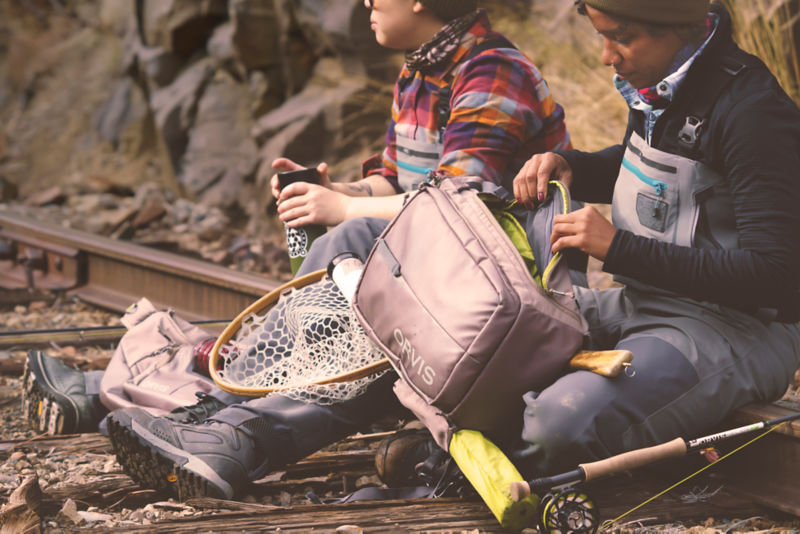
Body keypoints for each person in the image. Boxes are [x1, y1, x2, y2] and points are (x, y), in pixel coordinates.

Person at [101, 0, 576, 500]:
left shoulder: (493, 72)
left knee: (347, 242)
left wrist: (346, 212)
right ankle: (227, 410)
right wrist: (344, 193)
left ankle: (237, 425)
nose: (367, 4)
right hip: (439, 274)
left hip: (507, 298)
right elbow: (394, 180)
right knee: (343, 241)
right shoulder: (420, 70)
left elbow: (455, 208)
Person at [508, 0, 800, 477]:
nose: (607, 55)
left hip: (734, 329)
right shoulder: (662, 84)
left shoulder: (754, 114)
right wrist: (573, 167)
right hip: (643, 304)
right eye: (601, 36)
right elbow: (653, 175)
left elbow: (773, 274)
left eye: (620, 36)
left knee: (556, 425)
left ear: (677, 27)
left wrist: (617, 248)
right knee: (495, 333)